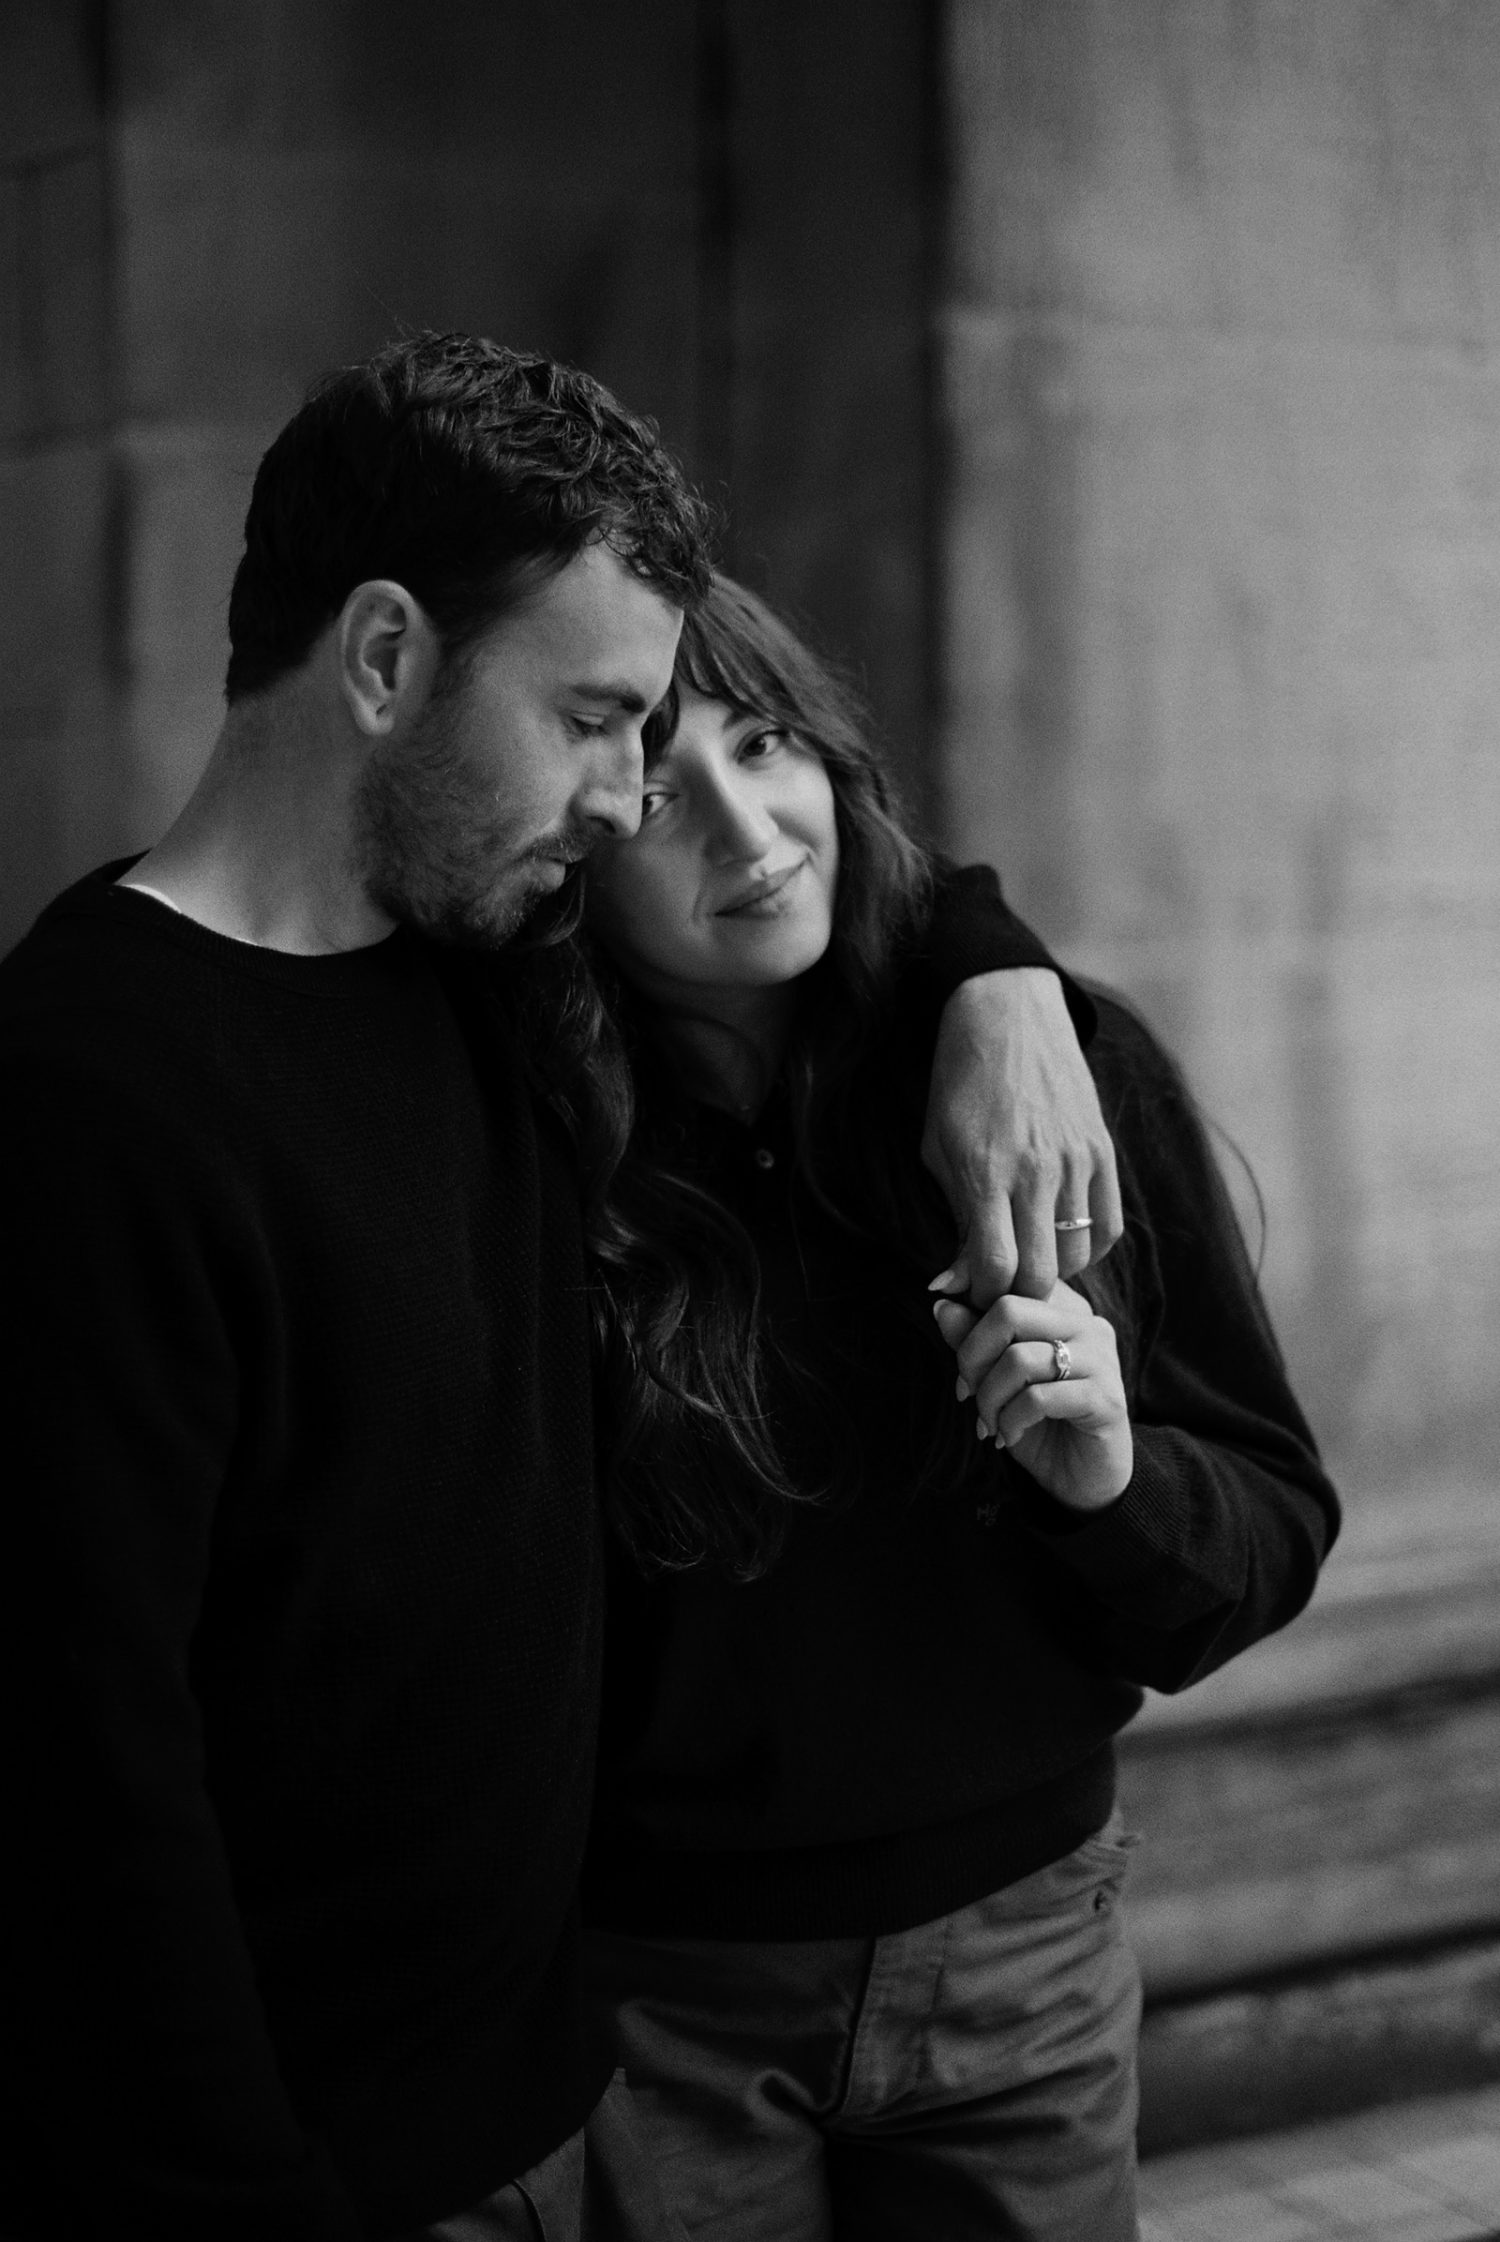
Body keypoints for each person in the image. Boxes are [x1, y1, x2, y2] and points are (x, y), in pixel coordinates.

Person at [0, 337, 1116, 2242]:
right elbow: (75, 1767)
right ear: (379, 660)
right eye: (596, 716)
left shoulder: (486, 969)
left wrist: (998, 976)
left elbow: (827, 890)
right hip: (304, 2176)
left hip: (561, 2112)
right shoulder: (85, 1092)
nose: (629, 797)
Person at [529, 575, 1345, 2242]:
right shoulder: (527, 1145)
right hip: (659, 2005)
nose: (750, 829)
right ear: (573, 850)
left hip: (1021, 1957)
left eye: (771, 746)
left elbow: (1262, 1544)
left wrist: (1113, 1483)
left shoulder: (1050, 1079)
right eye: (663, 788)